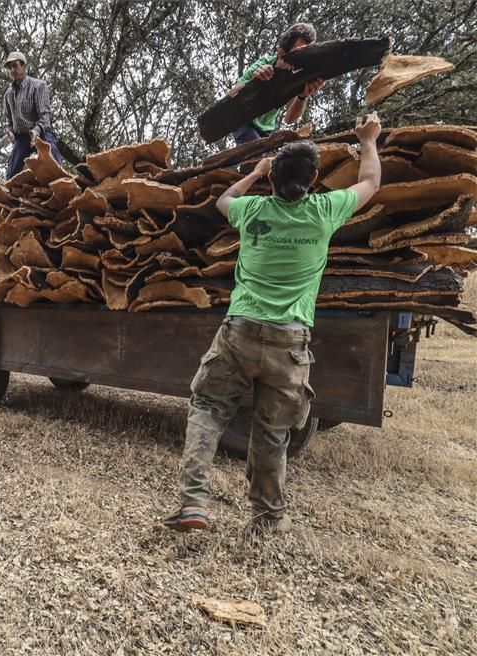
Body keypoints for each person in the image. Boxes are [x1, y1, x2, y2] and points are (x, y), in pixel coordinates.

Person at [164, 113, 383, 534]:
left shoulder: (252, 211)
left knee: (207, 409)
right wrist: (368, 140)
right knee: (272, 430)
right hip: (290, 341)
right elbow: (371, 183)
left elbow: (222, 200)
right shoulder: (324, 211)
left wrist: (254, 174)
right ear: (315, 177)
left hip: (239, 331)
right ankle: (268, 516)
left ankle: (193, 503)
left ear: (273, 180)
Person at [229, 23, 325, 145]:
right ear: (281, 54)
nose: (301, 62)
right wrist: (254, 80)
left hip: (267, 130)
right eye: (298, 55)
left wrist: (302, 97)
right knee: (259, 155)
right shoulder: (263, 63)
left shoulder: (297, 77)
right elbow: (231, 94)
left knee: (278, 161)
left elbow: (289, 119)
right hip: (243, 120)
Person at [2, 50, 65, 179]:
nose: (12, 70)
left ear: (24, 66)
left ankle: (64, 185)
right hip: (22, 138)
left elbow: (45, 116)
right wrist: (10, 134)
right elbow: (9, 122)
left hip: (41, 133)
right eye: (10, 67)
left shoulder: (38, 86)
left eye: (15, 66)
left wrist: (36, 131)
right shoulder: (8, 95)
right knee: (12, 170)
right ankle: (10, 197)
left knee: (52, 155)